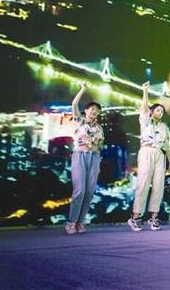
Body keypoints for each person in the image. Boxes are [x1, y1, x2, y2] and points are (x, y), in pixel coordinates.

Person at [127, 81, 170, 232]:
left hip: (160, 155)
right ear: (152, 112)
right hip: (146, 151)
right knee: (143, 184)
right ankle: (135, 217)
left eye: (162, 111)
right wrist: (145, 91)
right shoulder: (145, 121)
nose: (160, 112)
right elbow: (144, 107)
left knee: (158, 186)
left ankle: (154, 217)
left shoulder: (165, 127)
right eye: (158, 110)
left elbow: (167, 146)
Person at [66, 82, 104, 234]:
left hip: (94, 157)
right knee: (80, 190)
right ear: (86, 111)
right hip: (80, 156)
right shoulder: (79, 121)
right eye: (92, 109)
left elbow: (100, 144)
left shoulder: (99, 128)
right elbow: (74, 104)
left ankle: (80, 222)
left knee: (89, 192)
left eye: (97, 111)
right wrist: (83, 89)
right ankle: (71, 222)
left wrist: (94, 145)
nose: (95, 112)